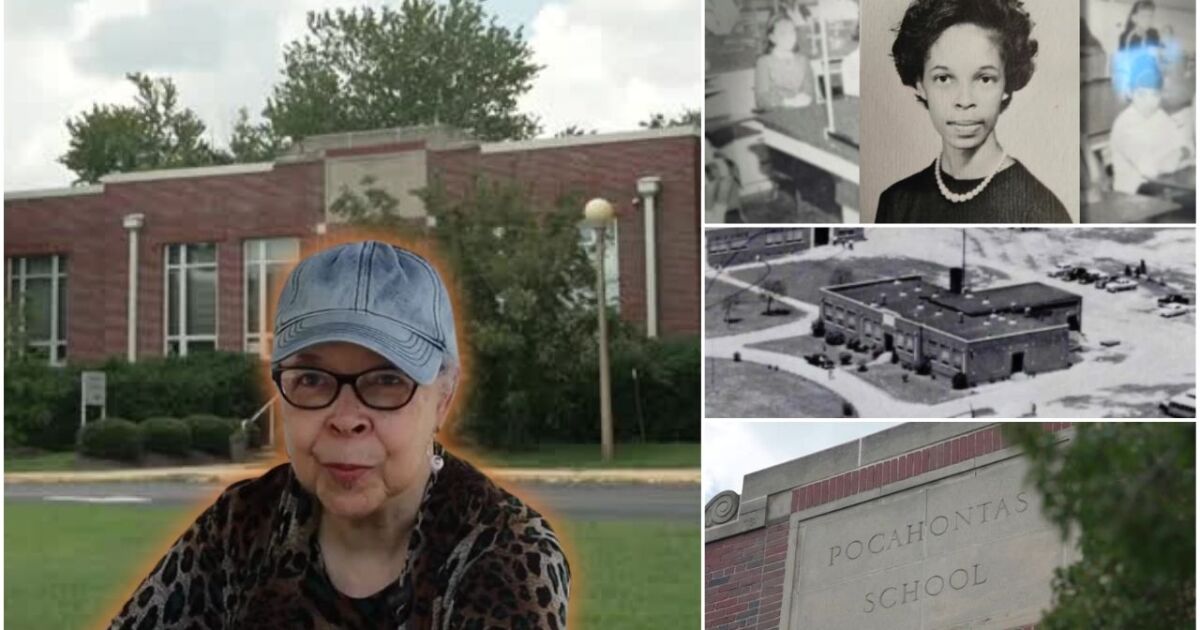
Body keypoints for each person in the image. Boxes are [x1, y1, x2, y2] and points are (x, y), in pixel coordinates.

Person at [108, 241, 570, 629]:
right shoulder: (243, 521)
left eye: (387, 380)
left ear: (443, 397)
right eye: (312, 378)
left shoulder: (507, 549)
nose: (345, 418)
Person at [875, 0, 1071, 223]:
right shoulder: (896, 203)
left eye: (984, 79)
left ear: (1007, 84)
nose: (964, 101)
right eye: (944, 78)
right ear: (920, 84)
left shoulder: (1041, 210)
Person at [1110, 61, 1194, 195]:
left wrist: (1175, 156)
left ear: (1161, 94)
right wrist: (1178, 155)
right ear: (1130, 93)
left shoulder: (1160, 115)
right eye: (1142, 95)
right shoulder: (1125, 125)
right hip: (1133, 192)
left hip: (1165, 182)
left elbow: (1188, 148)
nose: (1149, 102)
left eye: (1155, 95)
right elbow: (1149, 169)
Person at [755, 11, 816, 111]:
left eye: (792, 31)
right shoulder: (764, 62)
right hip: (777, 116)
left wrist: (806, 99)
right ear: (772, 37)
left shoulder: (803, 60)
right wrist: (788, 102)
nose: (789, 37)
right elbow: (762, 99)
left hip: (803, 114)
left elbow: (811, 93)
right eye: (783, 33)